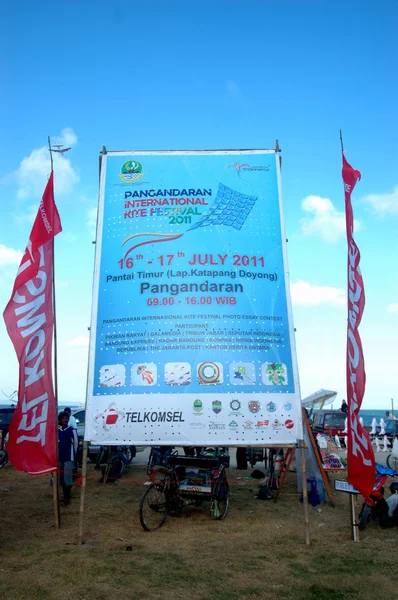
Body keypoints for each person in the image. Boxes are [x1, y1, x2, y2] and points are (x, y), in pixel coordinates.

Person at [58, 411, 78, 506]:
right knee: (61, 478)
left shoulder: (72, 430)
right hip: (60, 457)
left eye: (66, 418)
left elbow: (76, 444)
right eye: (63, 418)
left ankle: (67, 499)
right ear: (60, 420)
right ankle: (64, 497)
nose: (65, 420)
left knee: (67, 478)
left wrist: (74, 455)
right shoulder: (58, 431)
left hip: (69, 457)